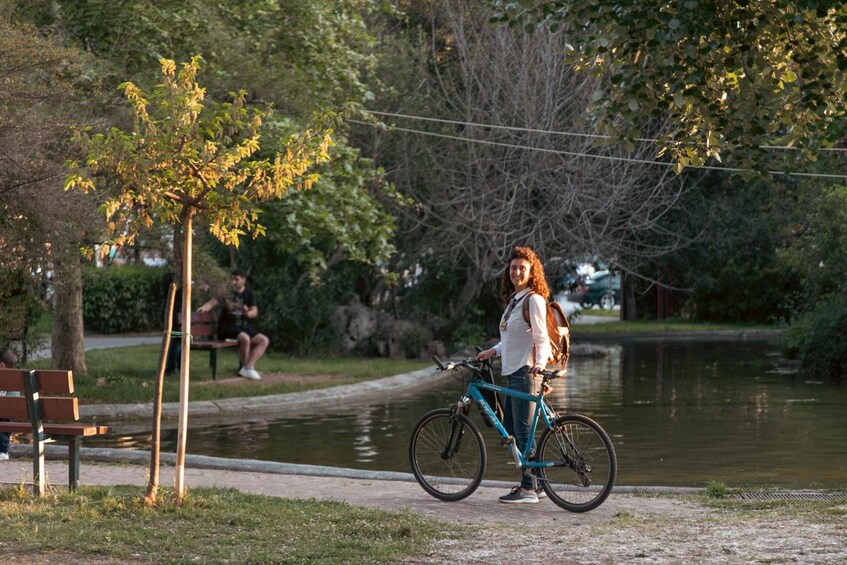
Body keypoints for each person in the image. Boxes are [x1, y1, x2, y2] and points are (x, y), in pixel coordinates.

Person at [477, 246, 552, 504]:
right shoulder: (514, 300)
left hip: (526, 373)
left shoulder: (534, 300)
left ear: (532, 272)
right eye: (513, 268)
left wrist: (539, 365)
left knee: (521, 432)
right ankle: (538, 483)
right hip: (513, 373)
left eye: (522, 268)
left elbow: (542, 339)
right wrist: (493, 351)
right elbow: (512, 338)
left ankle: (528, 488)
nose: (517, 272)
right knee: (511, 429)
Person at [198, 270, 269, 381]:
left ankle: (248, 367)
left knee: (263, 340)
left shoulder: (249, 293)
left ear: (244, 280)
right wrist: (204, 308)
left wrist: (247, 313)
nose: (233, 282)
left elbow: (254, 311)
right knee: (244, 338)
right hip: (226, 327)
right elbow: (212, 302)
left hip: (242, 326)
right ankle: (247, 369)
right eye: (232, 279)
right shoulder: (226, 292)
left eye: (236, 279)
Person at [0, 347, 20, 461]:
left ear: (2, 365)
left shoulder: (7, 378)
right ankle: (3, 451)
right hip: (9, 414)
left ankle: (2, 451)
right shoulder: (16, 378)